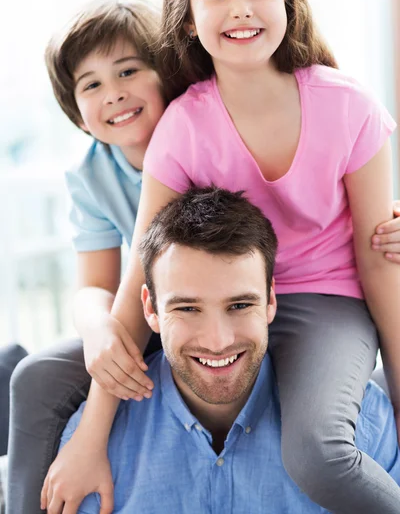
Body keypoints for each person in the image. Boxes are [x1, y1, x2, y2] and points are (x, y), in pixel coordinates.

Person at [40, 0, 400, 513]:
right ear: (186, 15)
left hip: (326, 304)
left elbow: (380, 256)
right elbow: (140, 280)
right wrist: (90, 434)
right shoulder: (183, 127)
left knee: (317, 452)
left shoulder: (350, 106)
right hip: (222, 310)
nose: (240, 8)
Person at [58, 187, 400, 514]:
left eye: (239, 305)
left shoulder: (363, 425)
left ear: (270, 300)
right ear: (150, 308)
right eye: (187, 309)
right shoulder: (92, 445)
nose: (218, 341)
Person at [6, 0, 166, 514]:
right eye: (91, 84)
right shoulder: (91, 173)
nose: (113, 93)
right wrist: (96, 327)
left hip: (203, 312)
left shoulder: (193, 137)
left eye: (128, 70)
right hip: (143, 316)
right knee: (32, 373)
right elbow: (96, 282)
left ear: (166, 73)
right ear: (77, 114)